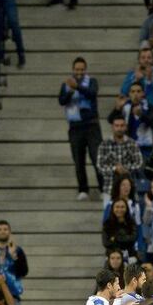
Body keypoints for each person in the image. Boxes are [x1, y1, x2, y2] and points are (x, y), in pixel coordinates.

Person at [59, 57, 103, 200]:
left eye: (82, 69)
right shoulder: (66, 84)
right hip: (75, 126)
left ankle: (103, 188)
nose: (79, 72)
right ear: (73, 70)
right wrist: (71, 90)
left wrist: (77, 87)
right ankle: (83, 189)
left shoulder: (92, 82)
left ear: (85, 70)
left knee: (97, 157)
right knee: (78, 159)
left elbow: (92, 93)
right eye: (77, 69)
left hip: (91, 125)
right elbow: (61, 101)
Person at [97, 116, 144, 202]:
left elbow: (139, 163)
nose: (119, 128)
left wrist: (125, 169)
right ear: (112, 127)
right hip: (109, 189)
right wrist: (115, 169)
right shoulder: (104, 144)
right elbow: (100, 166)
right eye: (117, 125)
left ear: (126, 127)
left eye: (122, 125)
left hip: (129, 190)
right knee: (109, 215)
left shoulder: (132, 143)